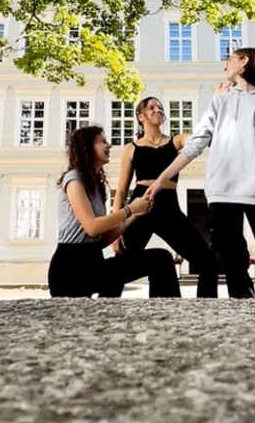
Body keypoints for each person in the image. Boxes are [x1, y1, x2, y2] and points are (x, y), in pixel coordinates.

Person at [146, 47, 255, 299]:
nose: (224, 66)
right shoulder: (220, 100)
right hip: (222, 194)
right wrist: (161, 179)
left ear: (245, 62)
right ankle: (242, 320)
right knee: (233, 265)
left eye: (228, 60)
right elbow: (196, 143)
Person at [48, 125, 182, 298]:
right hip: (70, 271)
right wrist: (130, 209)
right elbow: (92, 227)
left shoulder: (97, 185)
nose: (109, 145)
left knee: (160, 259)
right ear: (87, 148)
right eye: (102, 141)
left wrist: (135, 214)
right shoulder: (74, 179)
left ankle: (166, 319)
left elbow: (101, 240)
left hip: (94, 263)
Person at [111, 97, 220, 297]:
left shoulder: (176, 141)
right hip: (140, 207)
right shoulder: (131, 148)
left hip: (169, 207)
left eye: (160, 107)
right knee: (121, 262)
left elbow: (196, 140)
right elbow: (121, 191)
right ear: (140, 116)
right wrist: (115, 229)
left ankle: (206, 311)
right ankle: (103, 306)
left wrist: (214, 106)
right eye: (151, 107)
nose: (157, 110)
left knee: (207, 262)